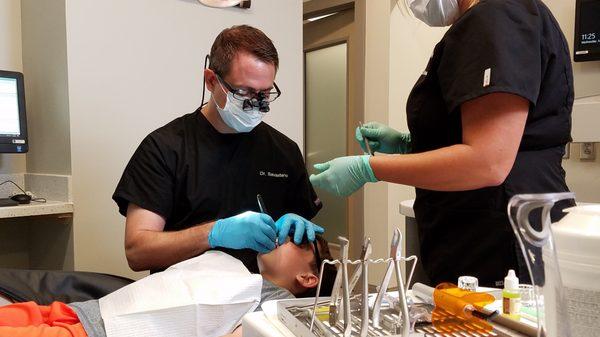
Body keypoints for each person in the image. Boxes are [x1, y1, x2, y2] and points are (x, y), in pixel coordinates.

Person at [310, 0, 574, 287]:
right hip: (480, 234)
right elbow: (477, 137)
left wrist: (369, 168)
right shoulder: (484, 22)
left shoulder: (498, 16)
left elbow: (489, 162)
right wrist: (408, 144)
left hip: (501, 241)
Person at [113, 25, 324, 274]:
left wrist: (300, 234)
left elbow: (306, 250)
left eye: (265, 94)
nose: (256, 104)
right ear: (212, 81)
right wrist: (214, 234)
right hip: (186, 303)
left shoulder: (284, 151)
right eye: (244, 91)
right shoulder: (165, 148)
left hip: (262, 305)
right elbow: (137, 253)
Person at [0, 236, 337, 337]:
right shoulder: (235, 267)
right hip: (77, 312)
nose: (282, 236)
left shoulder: (274, 305)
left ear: (308, 278)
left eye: (296, 241)